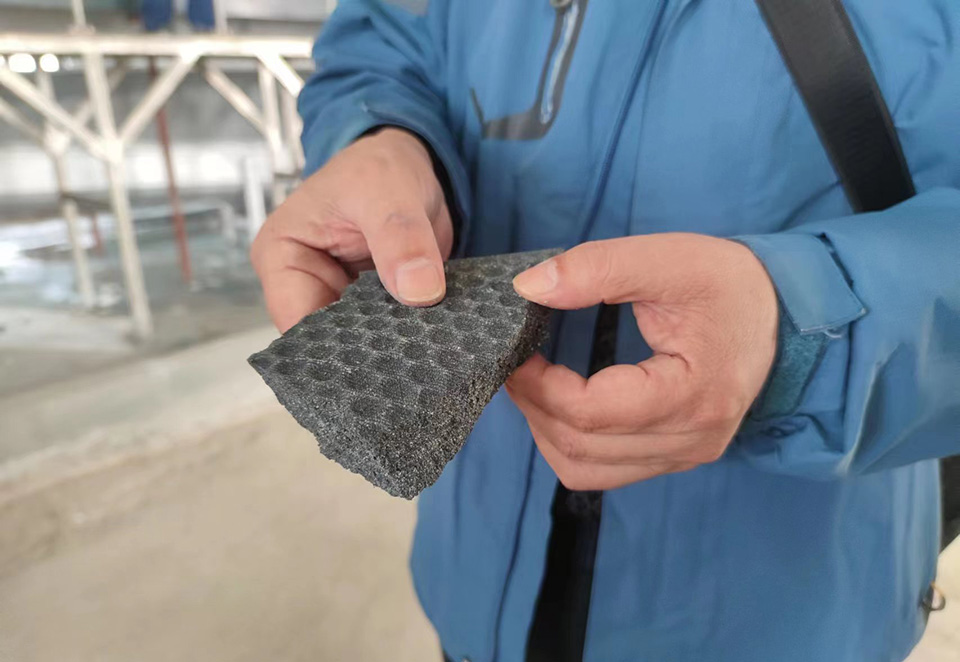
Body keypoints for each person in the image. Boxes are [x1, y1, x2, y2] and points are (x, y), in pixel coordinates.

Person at [250, 1, 960, 660]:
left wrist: (800, 333)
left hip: (788, 609)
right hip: (473, 579)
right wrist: (381, 135)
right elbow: (380, 37)